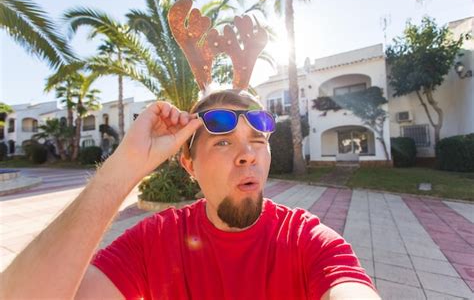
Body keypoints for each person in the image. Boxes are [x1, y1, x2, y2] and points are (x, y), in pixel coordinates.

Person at [0, 90, 380, 300]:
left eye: (257, 141)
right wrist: (124, 168)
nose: (247, 154)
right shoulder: (152, 244)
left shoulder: (306, 240)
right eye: (223, 143)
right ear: (189, 165)